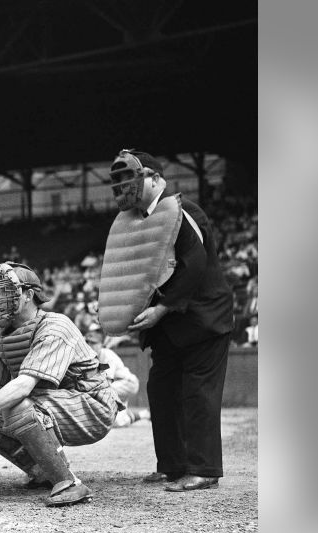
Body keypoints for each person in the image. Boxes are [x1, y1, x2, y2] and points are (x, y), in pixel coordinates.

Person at [98, 150, 234, 492]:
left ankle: (204, 469)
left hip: (203, 319)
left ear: (156, 179)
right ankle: (172, 465)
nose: (123, 186)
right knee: (161, 390)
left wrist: (164, 307)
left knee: (198, 393)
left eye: (132, 177)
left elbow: (196, 262)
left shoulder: (182, 210)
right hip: (169, 328)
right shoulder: (137, 220)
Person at [0, 262, 119, 507]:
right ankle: (43, 471)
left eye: (4, 291)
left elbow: (22, 386)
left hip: (92, 404)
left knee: (18, 406)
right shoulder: (0, 337)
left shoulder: (55, 325)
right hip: (56, 402)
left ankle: (69, 482)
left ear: (28, 294)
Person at [84, 322, 141, 427]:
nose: (89, 345)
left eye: (93, 343)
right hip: (116, 385)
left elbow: (106, 383)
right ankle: (140, 415)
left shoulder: (106, 355)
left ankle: (127, 414)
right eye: (87, 342)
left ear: (101, 344)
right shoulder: (90, 358)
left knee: (102, 391)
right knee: (116, 422)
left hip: (128, 383)